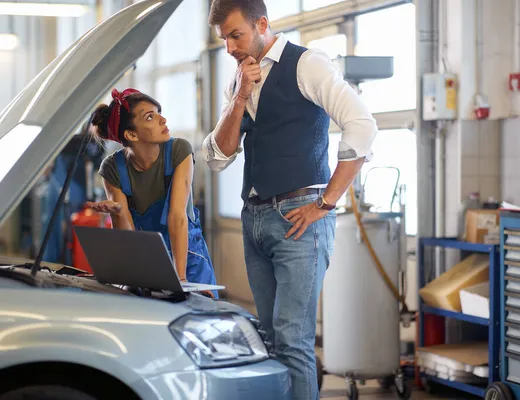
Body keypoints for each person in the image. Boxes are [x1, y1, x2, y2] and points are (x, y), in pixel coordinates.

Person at [203, 1, 377, 398]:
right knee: (268, 338)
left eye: (236, 35)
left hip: (299, 219)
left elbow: (362, 125)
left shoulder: (307, 64)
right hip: (255, 220)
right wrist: (239, 97)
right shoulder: (239, 79)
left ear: (262, 24)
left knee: (292, 340)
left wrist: (328, 202)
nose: (229, 47)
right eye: (223, 39)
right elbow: (217, 156)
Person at [87, 88, 218, 296]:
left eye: (158, 112)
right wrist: (118, 212)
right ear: (131, 134)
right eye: (150, 116)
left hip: (188, 259)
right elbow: (126, 237)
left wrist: (181, 280)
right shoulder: (112, 168)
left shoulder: (178, 150)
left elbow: (177, 216)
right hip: (147, 262)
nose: (163, 119)